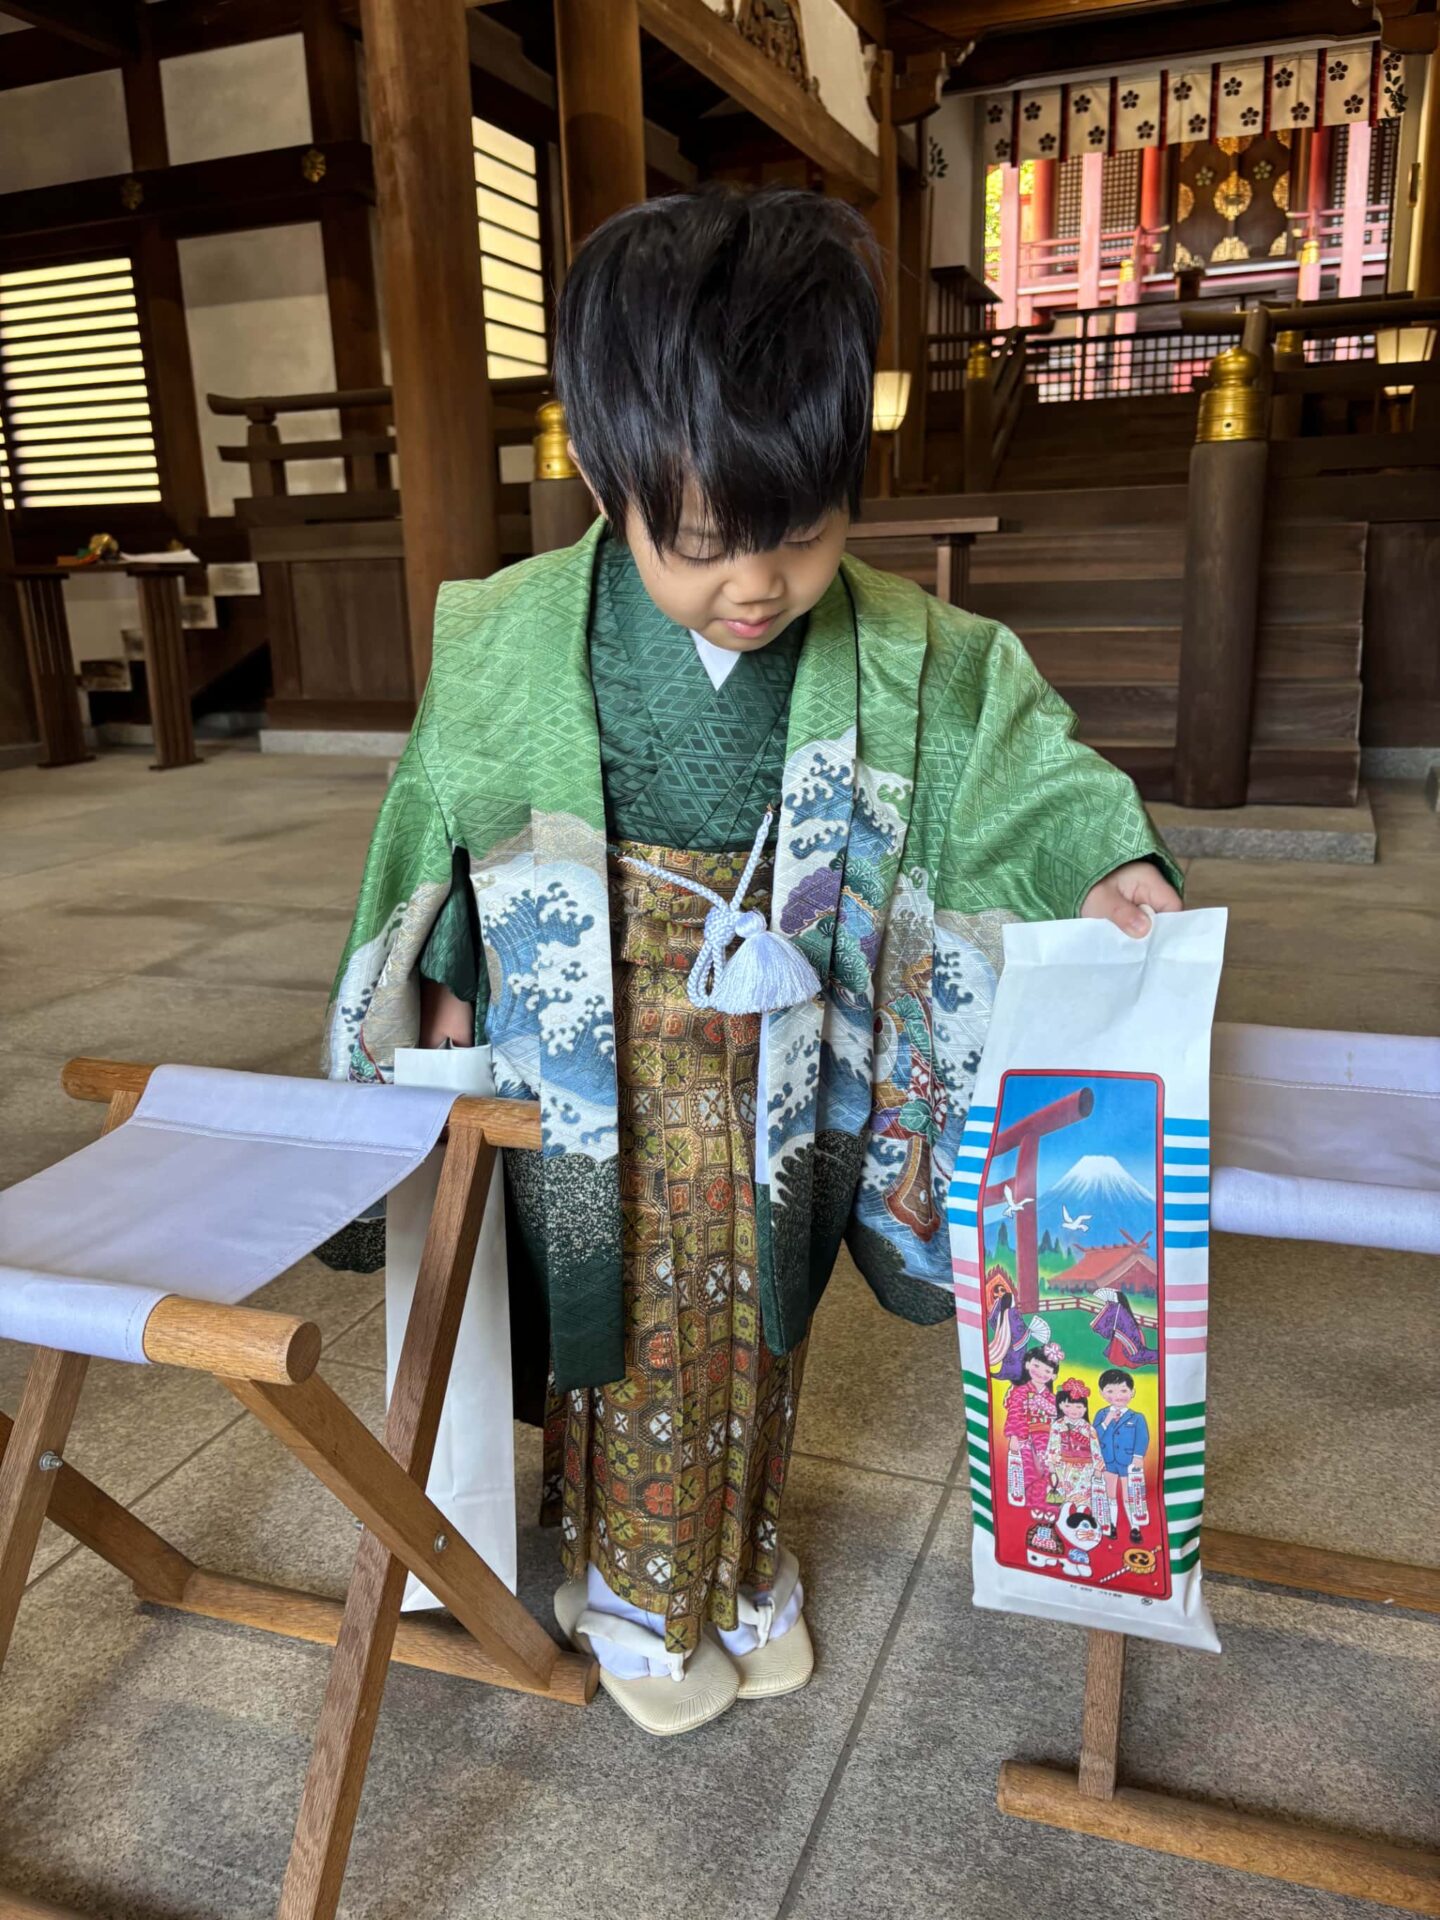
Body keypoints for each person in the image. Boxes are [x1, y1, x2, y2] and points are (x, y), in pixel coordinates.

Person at [325, 186, 1183, 1736]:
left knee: (761, 1321)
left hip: (788, 1064)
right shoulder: (514, 636)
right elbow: (437, 825)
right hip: (599, 1072)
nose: (761, 587)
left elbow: (1018, 757)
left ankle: (738, 1561)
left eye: (804, 533)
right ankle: (642, 1595)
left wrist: (1099, 856)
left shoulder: (910, 648)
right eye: (708, 543)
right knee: (635, 1319)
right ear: (609, 475)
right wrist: (441, 982)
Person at [1002, 1342, 1064, 1510]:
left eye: (1047, 1370)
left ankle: (1047, 1505)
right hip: (1024, 1437)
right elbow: (1015, 1413)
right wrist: (1015, 1436)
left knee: (1050, 1472)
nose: (1041, 1373)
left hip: (1046, 1439)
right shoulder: (1020, 1391)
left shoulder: (1053, 1398)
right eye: (1037, 1366)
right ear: (1028, 1364)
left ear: (1053, 1376)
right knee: (1025, 1470)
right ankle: (1028, 1503)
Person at [1094, 1366, 1151, 1543]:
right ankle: (1111, 1524)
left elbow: (1143, 1438)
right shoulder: (1102, 1414)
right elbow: (1094, 1435)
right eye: (1110, 1391)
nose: (1117, 1395)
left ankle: (1135, 1527)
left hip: (1128, 1462)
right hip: (1107, 1460)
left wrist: (1138, 1457)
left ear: (1132, 1392)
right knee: (1110, 1494)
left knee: (1129, 1495)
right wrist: (1107, 1420)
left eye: (1123, 1390)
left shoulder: (1137, 1417)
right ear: (1102, 1393)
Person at [1045, 1377, 1106, 1512]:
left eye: (1079, 1406)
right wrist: (1052, 1466)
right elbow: (1053, 1446)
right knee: (1064, 1501)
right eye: (1068, 1406)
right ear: (1060, 1406)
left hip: (1085, 1469)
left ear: (1085, 1408)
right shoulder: (1057, 1425)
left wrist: (1097, 1469)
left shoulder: (1088, 1429)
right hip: (1063, 1467)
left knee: (1082, 1500)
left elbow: (1096, 1450)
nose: (1074, 1410)